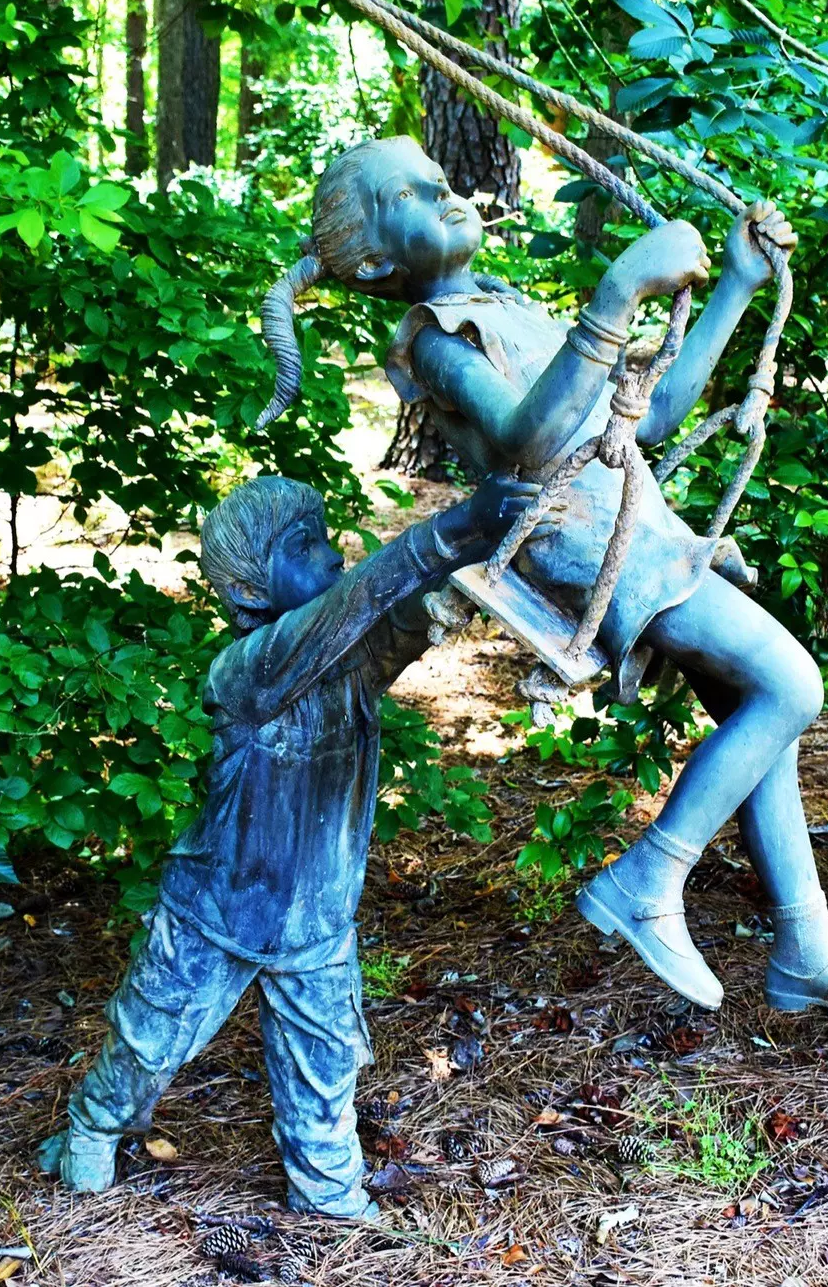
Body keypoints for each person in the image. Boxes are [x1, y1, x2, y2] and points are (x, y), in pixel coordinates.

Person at [254, 136, 828, 1023]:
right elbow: (527, 444)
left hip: (639, 528)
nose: (449, 192)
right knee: (791, 684)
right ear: (378, 258)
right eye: (416, 194)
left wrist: (733, 284)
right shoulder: (434, 343)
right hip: (586, 543)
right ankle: (650, 877)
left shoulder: (504, 306)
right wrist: (616, 292)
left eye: (445, 178)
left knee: (757, 717)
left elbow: (647, 417)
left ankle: (807, 947)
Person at [41, 469, 539, 1214]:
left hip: (315, 922)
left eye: (328, 537)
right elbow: (357, 599)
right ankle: (92, 1125)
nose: (335, 553)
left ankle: (329, 1188)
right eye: (307, 545)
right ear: (249, 593)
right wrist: (454, 524)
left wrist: (475, 563)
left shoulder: (349, 662)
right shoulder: (248, 668)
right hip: (218, 911)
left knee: (326, 1063)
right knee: (150, 1038)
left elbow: (394, 617)